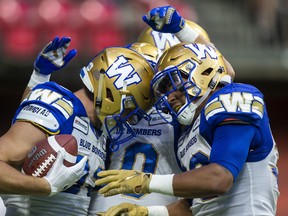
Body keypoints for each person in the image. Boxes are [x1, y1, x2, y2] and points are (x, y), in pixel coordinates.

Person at [95, 6, 280, 216]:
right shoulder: (187, 132)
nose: (169, 95)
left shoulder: (235, 98)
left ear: (201, 71)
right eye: (162, 89)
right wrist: (145, 212)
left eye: (171, 82)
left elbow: (220, 179)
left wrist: (146, 182)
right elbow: (192, 206)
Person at [1, 37, 154, 215]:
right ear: (110, 95)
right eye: (129, 108)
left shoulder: (98, 129)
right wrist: (44, 186)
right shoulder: (58, 109)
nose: (129, 118)